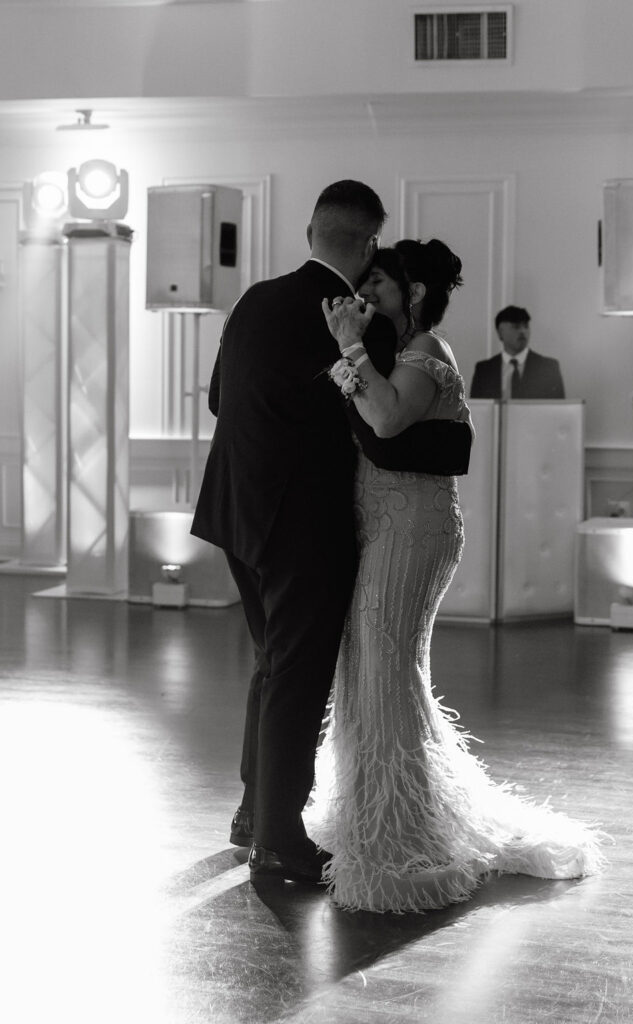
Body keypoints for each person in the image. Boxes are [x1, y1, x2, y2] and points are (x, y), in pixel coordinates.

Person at [305, 240, 604, 913]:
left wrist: (348, 348)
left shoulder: (427, 353)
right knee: (365, 667)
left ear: (412, 293)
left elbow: (384, 417)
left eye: (378, 282)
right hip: (377, 521)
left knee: (386, 665)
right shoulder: (394, 352)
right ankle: (374, 813)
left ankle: (407, 832)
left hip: (415, 528)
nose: (365, 292)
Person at [191, 182, 470, 888]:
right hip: (302, 521)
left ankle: (254, 814)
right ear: (368, 241)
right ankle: (281, 839)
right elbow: (378, 431)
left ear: (311, 229)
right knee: (298, 671)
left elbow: (222, 397)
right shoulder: (362, 324)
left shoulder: (254, 298)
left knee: (269, 660)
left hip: (233, 509)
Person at [470, 305, 565, 399]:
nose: (522, 331)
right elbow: (477, 410)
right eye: (516, 327)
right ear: (500, 332)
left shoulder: (548, 367)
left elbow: (557, 410)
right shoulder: (484, 370)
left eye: (526, 326)